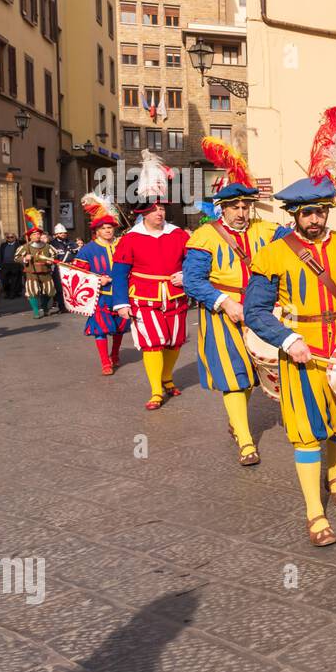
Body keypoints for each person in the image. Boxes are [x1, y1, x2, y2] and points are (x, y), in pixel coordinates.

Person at [243, 107, 336, 547]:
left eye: (321, 210)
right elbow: (255, 312)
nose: (315, 219)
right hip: (301, 352)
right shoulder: (273, 254)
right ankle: (314, 511)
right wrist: (288, 339)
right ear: (293, 214)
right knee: (307, 431)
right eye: (307, 213)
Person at [183, 180, 283, 464]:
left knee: (253, 373)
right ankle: (246, 440)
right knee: (234, 375)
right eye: (234, 207)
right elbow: (192, 281)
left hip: (261, 310)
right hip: (222, 315)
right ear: (222, 209)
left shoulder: (268, 230)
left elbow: (298, 243)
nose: (241, 213)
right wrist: (225, 302)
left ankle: (235, 421)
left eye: (245, 206)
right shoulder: (205, 236)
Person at [110, 152, 190, 410]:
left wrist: (186, 276)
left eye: (162, 207)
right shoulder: (130, 239)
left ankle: (167, 377)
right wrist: (120, 302)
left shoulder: (178, 235)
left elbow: (193, 264)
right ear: (143, 213)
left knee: (175, 340)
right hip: (144, 297)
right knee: (153, 342)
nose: (160, 212)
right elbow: (120, 273)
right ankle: (156, 390)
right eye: (155, 209)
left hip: (176, 295)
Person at [73, 193, 130, 375]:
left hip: (121, 294)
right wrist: (98, 279)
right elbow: (77, 274)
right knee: (101, 329)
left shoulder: (122, 244)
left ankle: (114, 354)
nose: (108, 230)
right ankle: (105, 362)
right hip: (100, 297)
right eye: (104, 228)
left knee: (120, 328)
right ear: (96, 231)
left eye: (110, 227)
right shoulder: (87, 250)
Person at [14, 212, 59, 319]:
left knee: (49, 292)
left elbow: (55, 255)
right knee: (32, 292)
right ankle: (35, 311)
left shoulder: (48, 246)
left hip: (46, 272)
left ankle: (44, 307)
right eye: (34, 234)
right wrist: (25, 258)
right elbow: (16, 258)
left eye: (38, 234)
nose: (37, 235)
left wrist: (51, 261)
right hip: (31, 273)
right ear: (30, 236)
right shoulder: (25, 247)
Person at [0, 233, 22, 299]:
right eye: (8, 237)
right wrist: (0, 265)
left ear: (15, 238)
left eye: (11, 237)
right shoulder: (3, 245)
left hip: (15, 265)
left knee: (14, 281)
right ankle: (7, 292)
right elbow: (0, 255)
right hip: (5, 265)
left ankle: (12, 294)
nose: (10, 238)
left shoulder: (18, 245)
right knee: (4, 281)